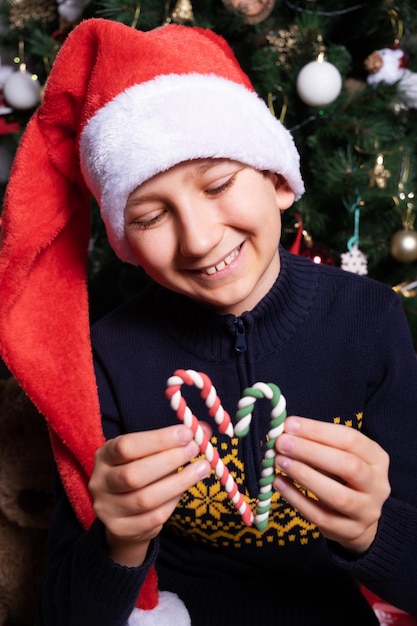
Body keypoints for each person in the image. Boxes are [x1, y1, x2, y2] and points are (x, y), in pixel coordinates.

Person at [0, 17, 416, 626]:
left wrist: (375, 532)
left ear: (277, 179)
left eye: (219, 184)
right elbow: (64, 614)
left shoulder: (371, 318)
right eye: (148, 217)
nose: (198, 241)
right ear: (124, 242)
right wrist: (118, 542)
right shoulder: (108, 358)